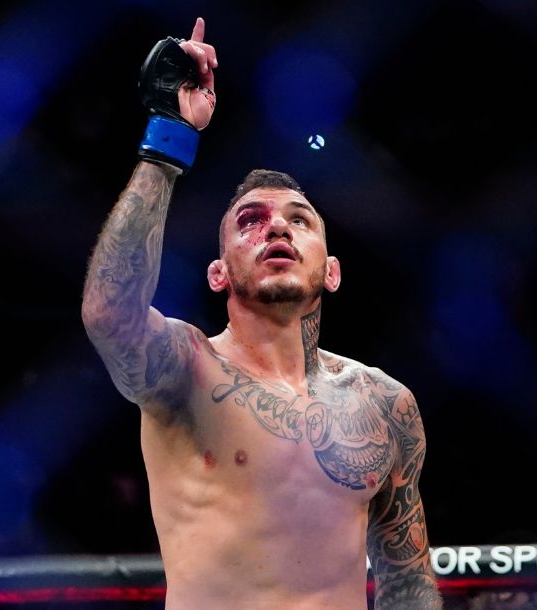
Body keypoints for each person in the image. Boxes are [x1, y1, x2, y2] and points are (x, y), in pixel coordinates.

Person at [81, 17, 442, 610]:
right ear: (218, 273)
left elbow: (406, 577)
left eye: (299, 220)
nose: (276, 225)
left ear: (332, 270)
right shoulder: (187, 373)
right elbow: (110, 314)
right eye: (250, 221)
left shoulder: (384, 404)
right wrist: (169, 136)